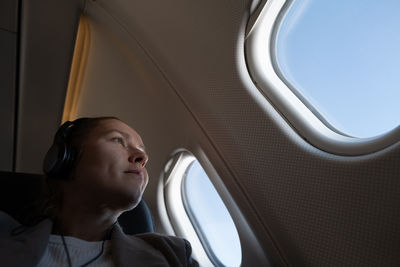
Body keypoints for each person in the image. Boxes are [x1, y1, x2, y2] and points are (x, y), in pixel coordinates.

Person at [0, 117, 198, 267]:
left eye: (142, 150)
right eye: (118, 140)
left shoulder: (175, 254)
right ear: (65, 160)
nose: (142, 157)